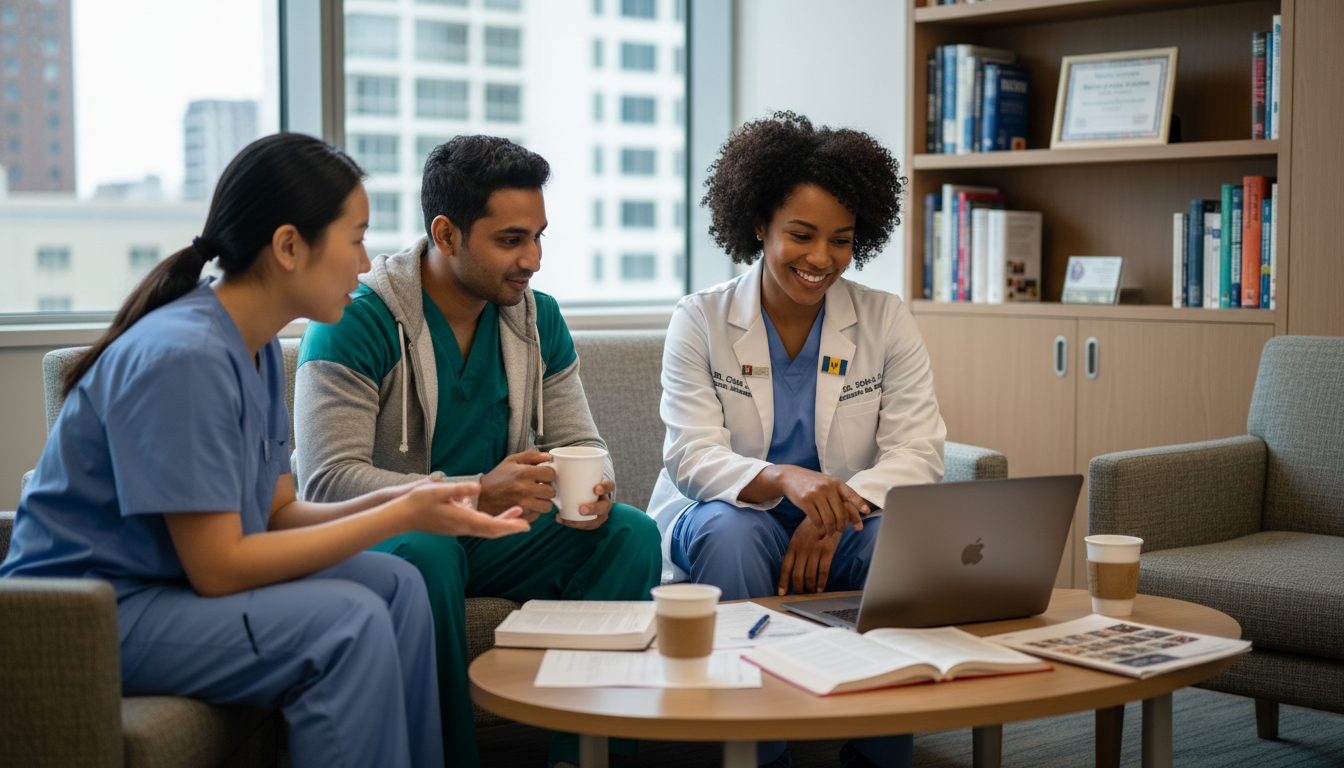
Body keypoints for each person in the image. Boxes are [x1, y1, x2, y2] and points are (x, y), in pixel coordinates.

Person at [0, 133, 532, 768]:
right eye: (355, 238)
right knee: (348, 623)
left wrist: (413, 495)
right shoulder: (184, 356)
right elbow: (219, 567)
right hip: (86, 615)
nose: (366, 265)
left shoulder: (250, 350)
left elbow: (280, 513)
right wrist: (399, 516)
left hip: (162, 590)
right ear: (289, 247)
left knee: (396, 583)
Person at [293, 134, 661, 768]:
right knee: (428, 553)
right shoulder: (355, 318)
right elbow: (326, 481)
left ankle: (588, 755)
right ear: (447, 234)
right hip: (393, 533)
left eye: (539, 236)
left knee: (630, 534)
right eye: (511, 240)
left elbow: (582, 443)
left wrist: (593, 487)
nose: (534, 260)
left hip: (492, 532)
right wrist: (473, 491)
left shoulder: (536, 318)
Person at [648, 112, 947, 768]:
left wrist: (839, 506)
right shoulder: (700, 320)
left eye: (841, 240)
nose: (821, 260)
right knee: (734, 535)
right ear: (759, 224)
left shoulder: (884, 319)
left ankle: (878, 752)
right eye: (802, 235)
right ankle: (753, 751)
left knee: (895, 547)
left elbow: (918, 450)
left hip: (847, 520)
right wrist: (788, 480)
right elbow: (691, 456)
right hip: (730, 513)